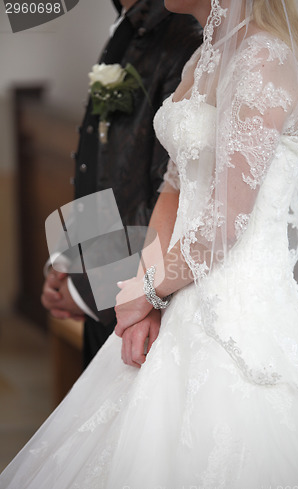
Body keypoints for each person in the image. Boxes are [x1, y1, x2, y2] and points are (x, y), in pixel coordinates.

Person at [1, 0, 298, 489]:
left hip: (231, 311)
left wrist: (139, 291)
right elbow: (152, 181)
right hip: (165, 285)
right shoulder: (195, 53)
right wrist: (122, 282)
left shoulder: (260, 58)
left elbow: (222, 221)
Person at [41, 0, 202, 367]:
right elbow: (103, 160)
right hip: (107, 285)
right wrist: (72, 263)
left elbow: (171, 190)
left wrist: (87, 287)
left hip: (141, 296)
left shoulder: (184, 37)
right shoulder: (130, 28)